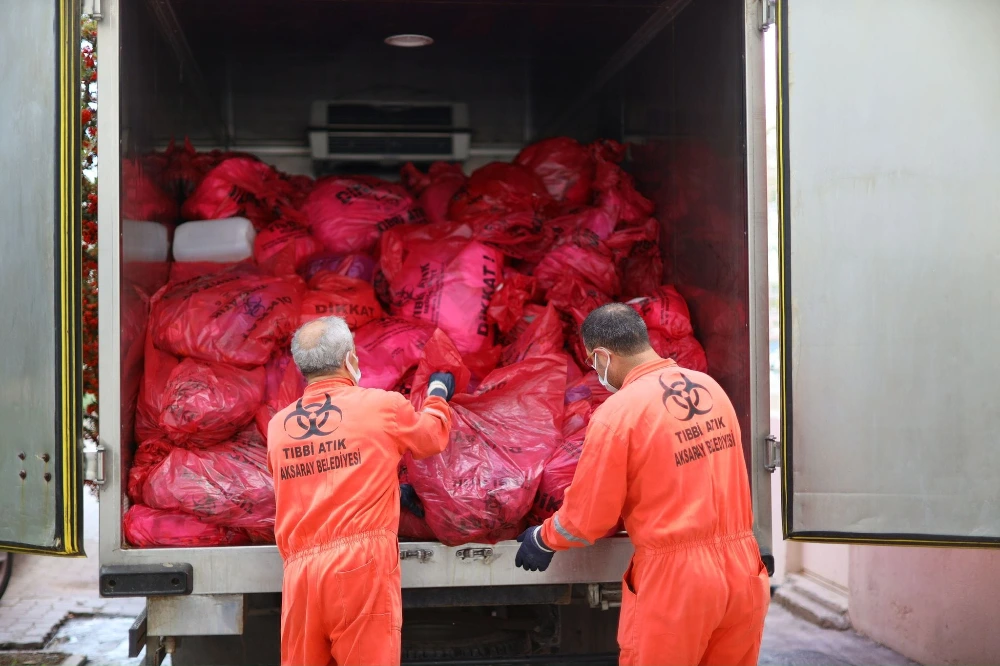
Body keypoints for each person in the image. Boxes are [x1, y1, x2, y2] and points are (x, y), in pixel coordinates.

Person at [515, 304, 769, 666]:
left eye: (592, 363)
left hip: (678, 585)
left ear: (603, 355)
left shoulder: (619, 413)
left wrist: (543, 538)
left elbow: (588, 517)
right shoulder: (712, 390)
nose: (596, 371)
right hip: (744, 570)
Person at [267, 316, 456, 666]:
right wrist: (438, 394)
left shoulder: (278, 427)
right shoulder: (381, 406)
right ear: (349, 360)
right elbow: (431, 438)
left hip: (299, 575)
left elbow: (309, 480)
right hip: (360, 566)